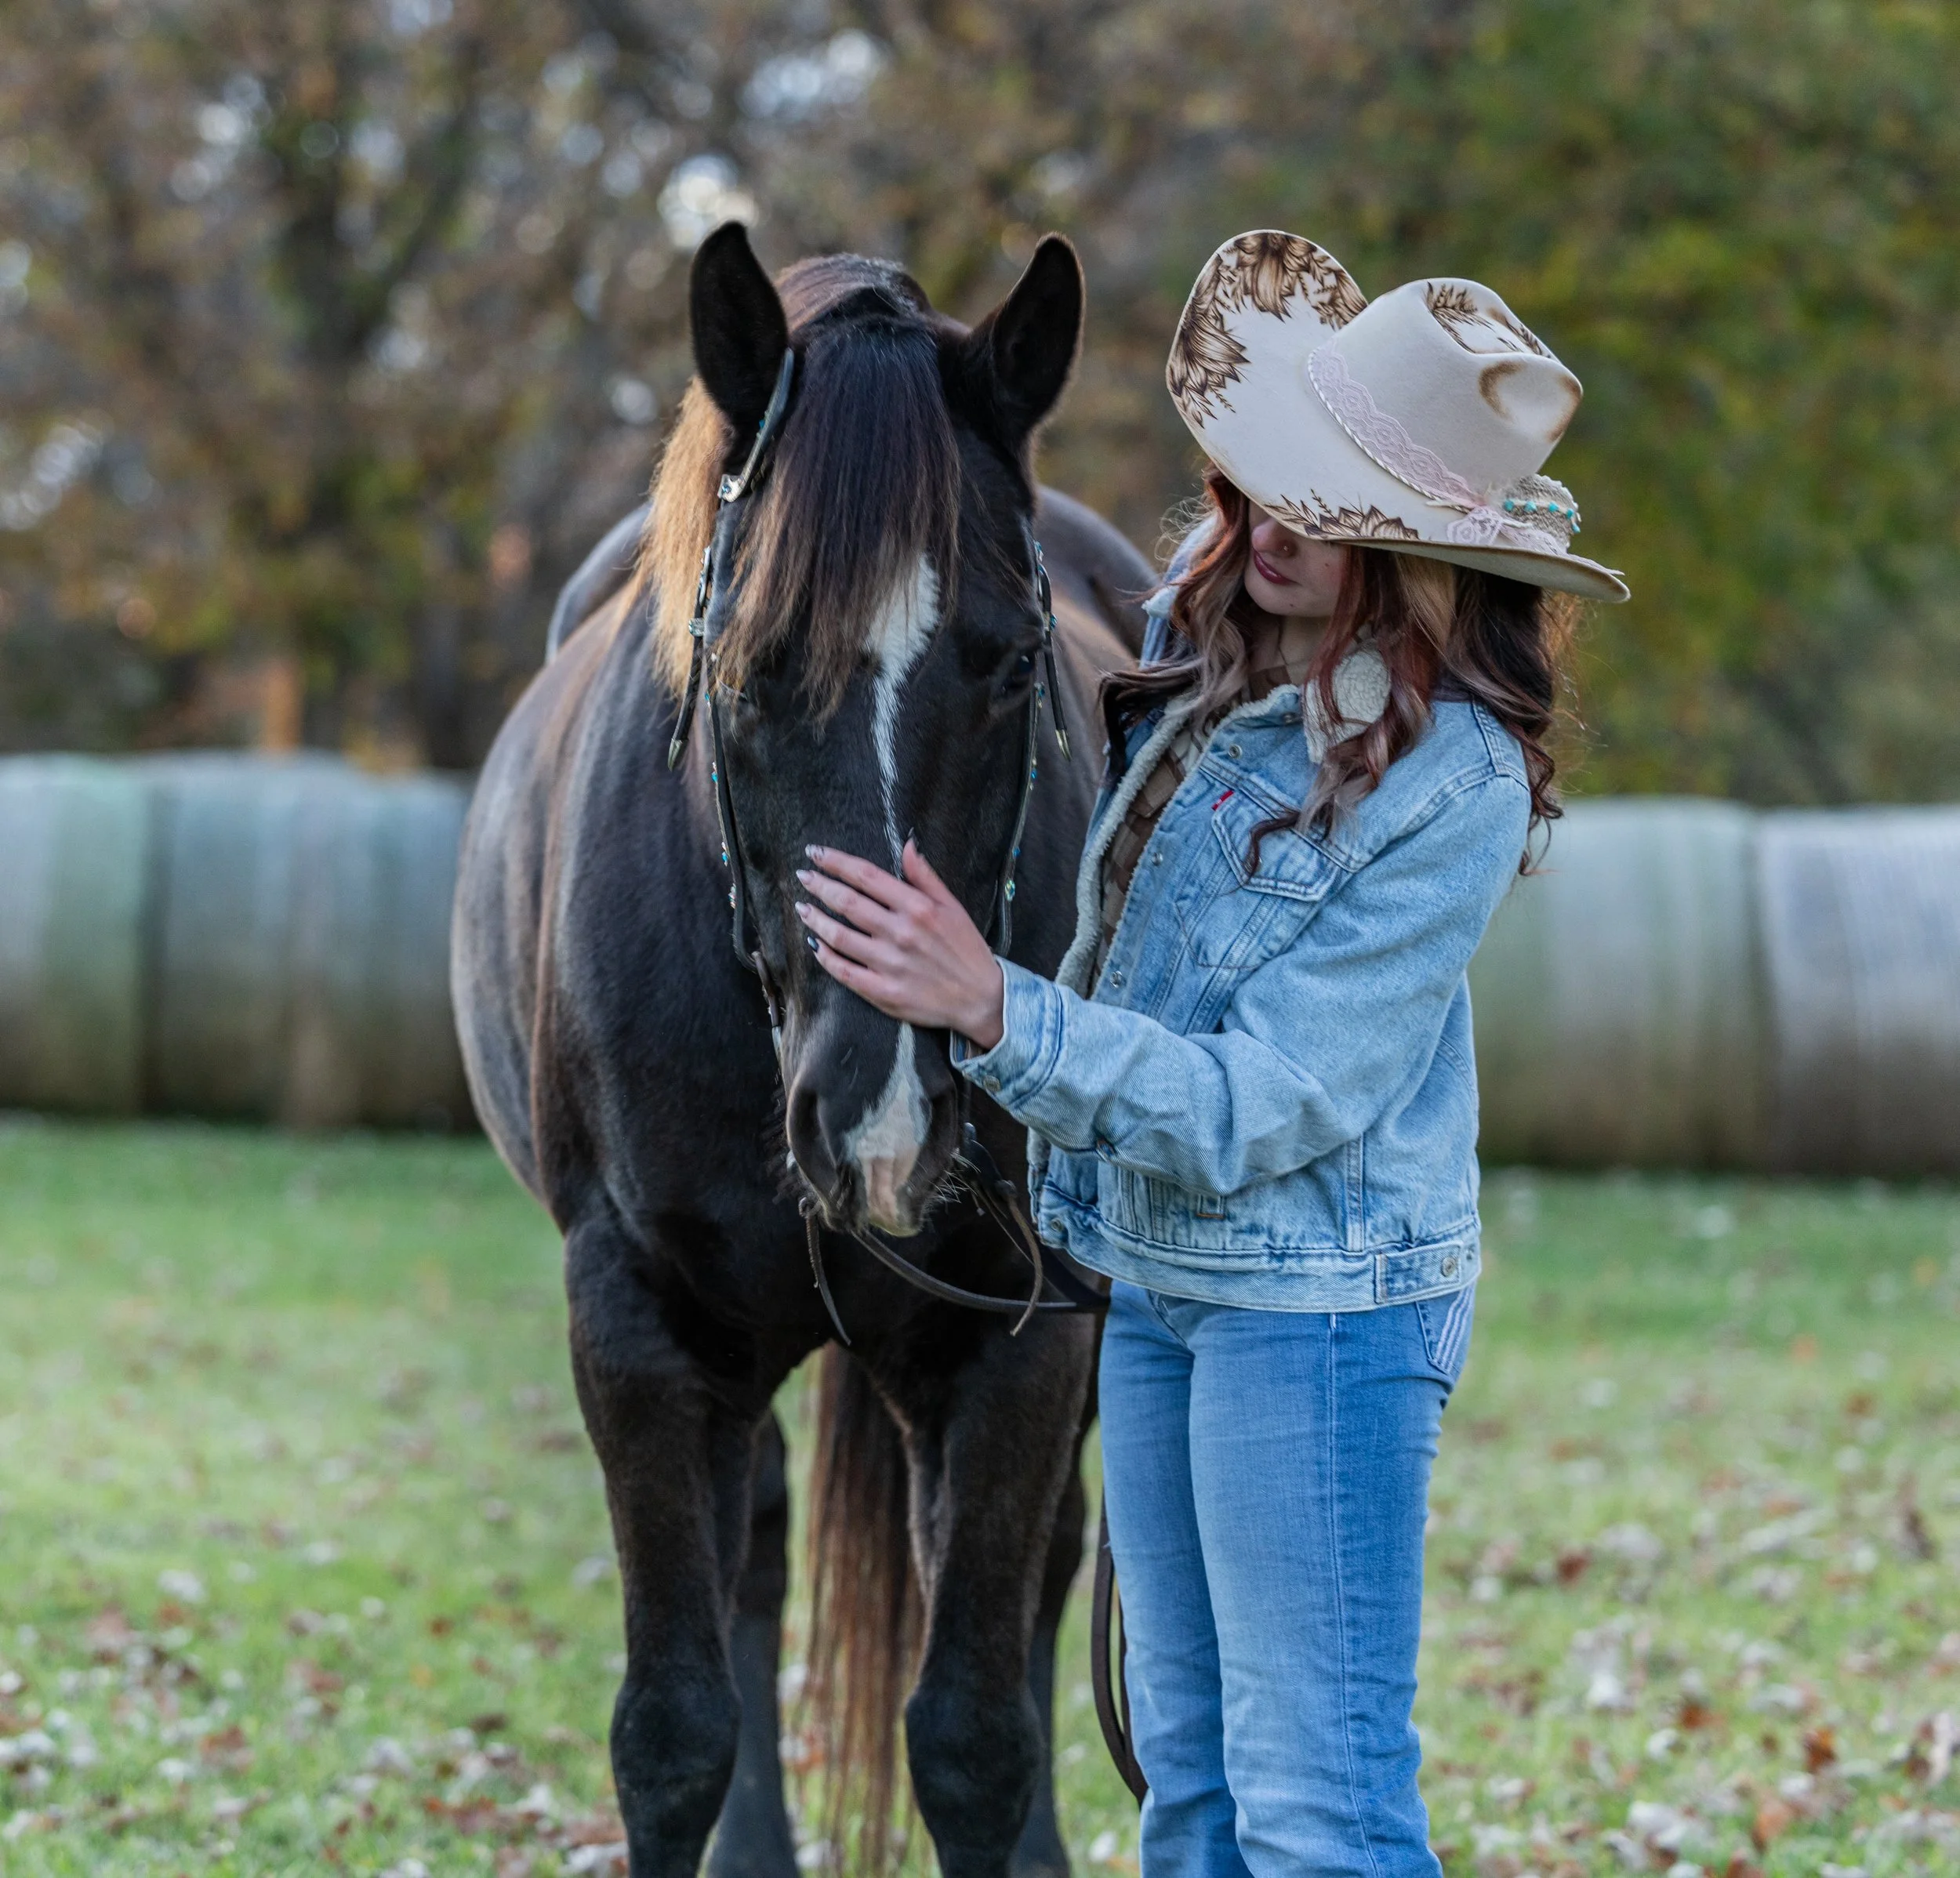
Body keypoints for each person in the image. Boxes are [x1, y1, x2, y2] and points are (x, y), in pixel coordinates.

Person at [793, 230, 1628, 1877]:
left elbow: (1271, 1099)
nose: (1255, 527)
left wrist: (988, 1009)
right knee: (1186, 1777)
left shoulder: (1443, 782)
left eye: (1315, 506)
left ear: (1416, 546)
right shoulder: (1219, 688)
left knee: (1317, 1800)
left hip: (1314, 1311)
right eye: (1254, 485)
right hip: (1169, 1286)